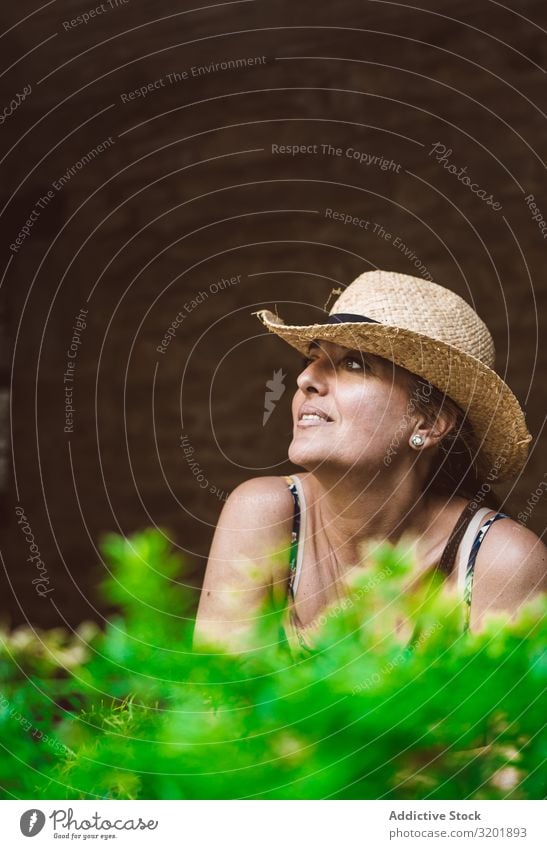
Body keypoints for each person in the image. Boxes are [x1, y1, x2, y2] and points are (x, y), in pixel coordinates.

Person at [193, 270, 546, 653]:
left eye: (354, 364)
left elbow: (499, 714)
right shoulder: (265, 512)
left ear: (428, 423)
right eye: (311, 359)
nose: (306, 379)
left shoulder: (500, 561)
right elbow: (212, 703)